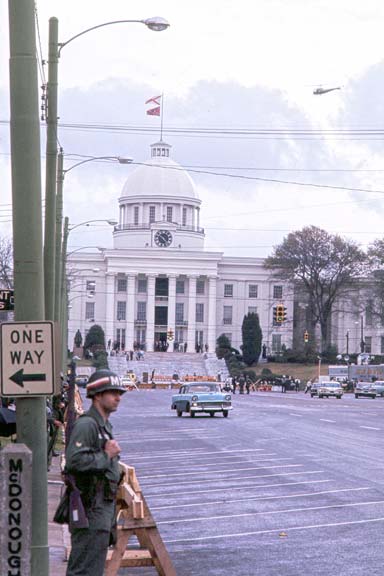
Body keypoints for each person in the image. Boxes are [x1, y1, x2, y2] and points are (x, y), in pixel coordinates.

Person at [65, 369, 126, 576]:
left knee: (93, 569)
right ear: (98, 395)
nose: (118, 397)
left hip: (101, 511)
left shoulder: (103, 425)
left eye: (119, 393)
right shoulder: (88, 425)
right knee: (83, 570)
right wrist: (106, 456)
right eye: (112, 392)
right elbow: (73, 461)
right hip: (90, 509)